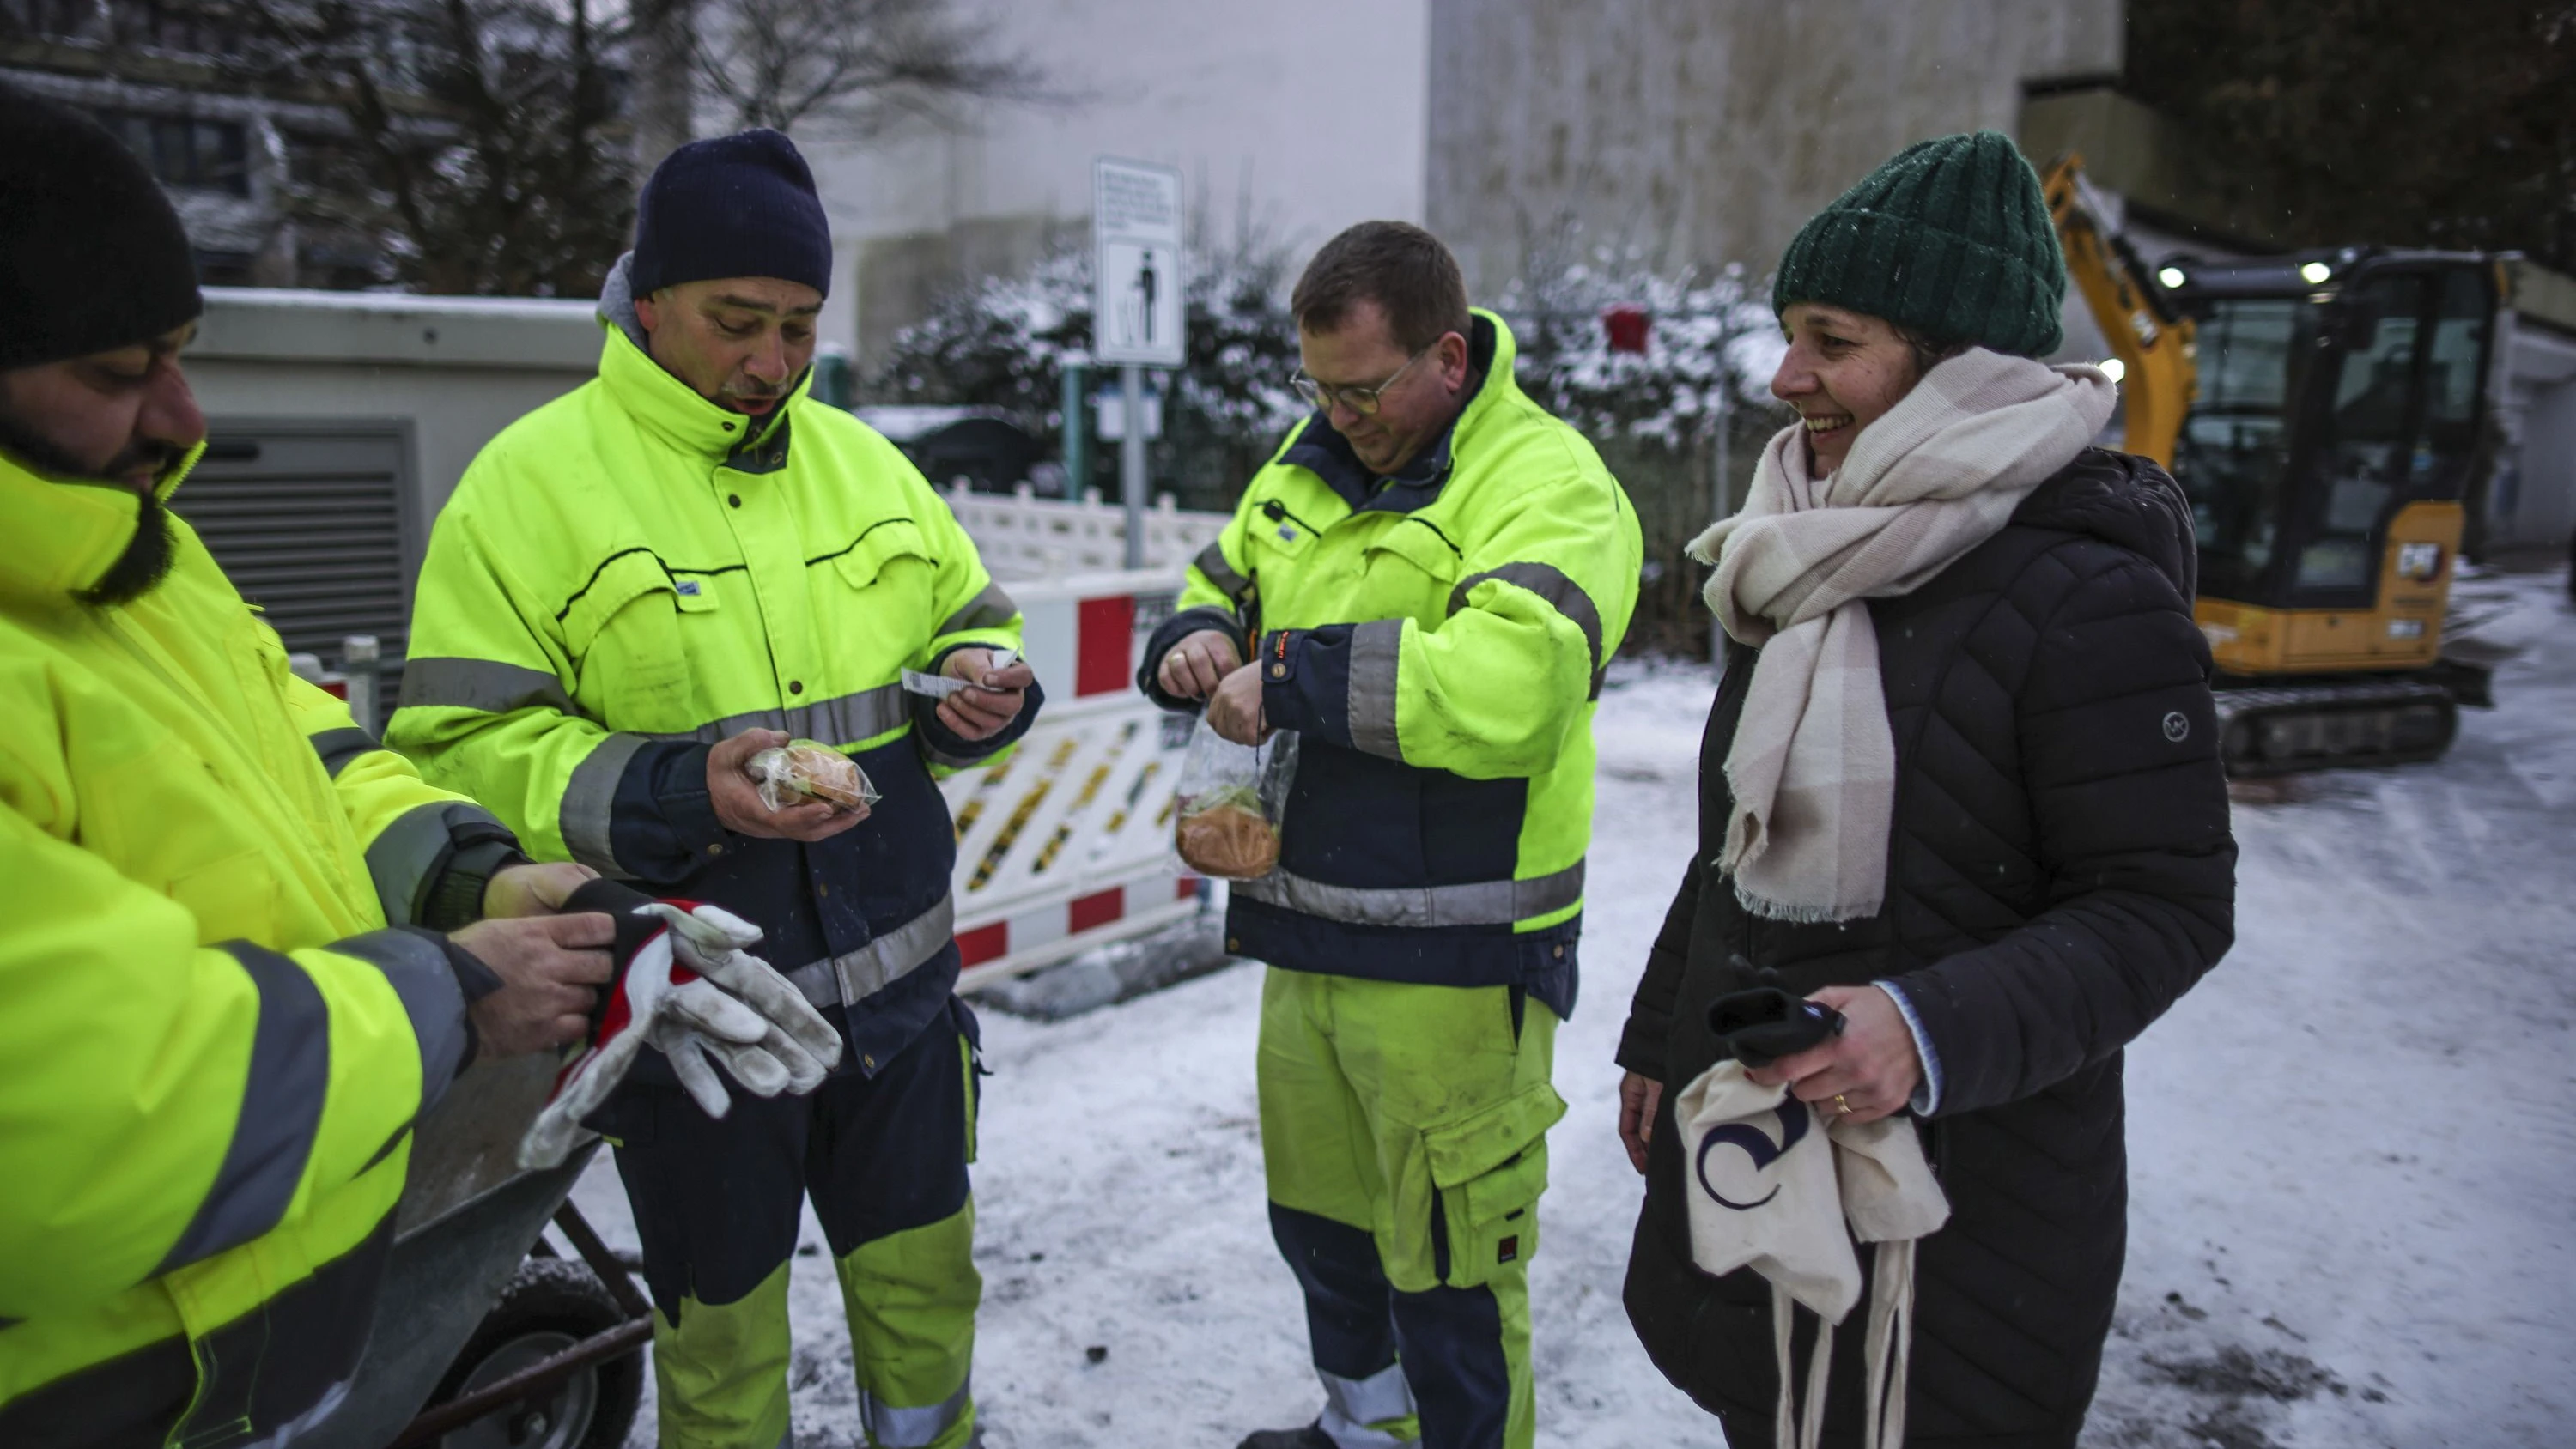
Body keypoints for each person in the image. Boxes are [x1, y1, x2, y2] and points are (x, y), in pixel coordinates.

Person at [384, 128, 1040, 1449]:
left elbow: (974, 627)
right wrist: (687, 791)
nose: (772, 362)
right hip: (700, 1029)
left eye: (799, 328)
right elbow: (460, 746)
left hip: (903, 1017)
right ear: (649, 299)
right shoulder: (526, 490)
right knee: (723, 1350)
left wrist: (982, 689)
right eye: (738, 323)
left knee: (928, 1306)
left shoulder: (866, 463)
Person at [0, 88, 617, 1445]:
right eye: (114, 374)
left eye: (180, 355)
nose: (184, 417)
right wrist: (454, 996)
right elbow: (90, 1110)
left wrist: (469, 876)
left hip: (247, 1334)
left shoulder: (135, 548)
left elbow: (305, 751)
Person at [1613, 131, 2237, 1446]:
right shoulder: (1796, 556)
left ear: (1960, 365)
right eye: (1791, 336)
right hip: (1766, 1145)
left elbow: (2163, 904)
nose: (1788, 378)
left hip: (1965, 1217)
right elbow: (1731, 849)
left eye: (1833, 342)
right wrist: (1659, 1036)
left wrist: (1924, 1026)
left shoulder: (2088, 594)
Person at [1139, 221, 1642, 1449]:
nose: (1338, 415)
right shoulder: (1312, 457)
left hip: (1454, 960)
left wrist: (1291, 676)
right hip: (1305, 934)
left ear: (1450, 358)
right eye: (1318, 387)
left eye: (1363, 390)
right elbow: (1226, 573)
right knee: (1328, 1236)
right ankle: (1366, 1429)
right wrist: (1196, 635)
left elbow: (1516, 684)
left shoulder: (1551, 484)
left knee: (1453, 1272)